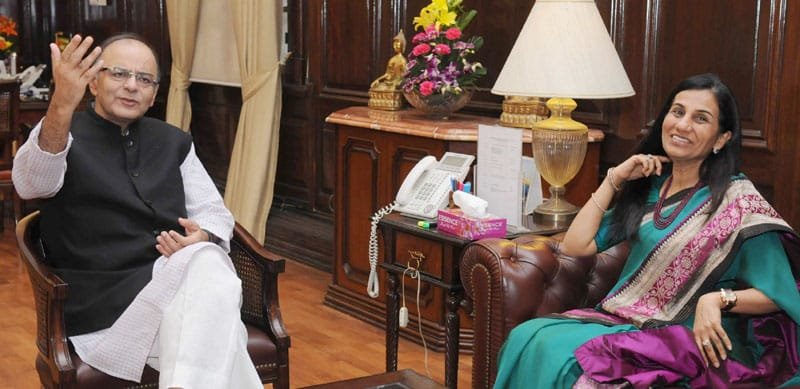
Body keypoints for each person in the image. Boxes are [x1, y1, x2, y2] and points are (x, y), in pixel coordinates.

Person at [493, 73, 800, 388]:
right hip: (627, 322)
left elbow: (780, 294)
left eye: (701, 118)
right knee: (527, 338)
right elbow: (576, 246)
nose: (683, 125)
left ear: (721, 139)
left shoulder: (738, 201)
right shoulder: (651, 189)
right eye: (677, 112)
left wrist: (716, 300)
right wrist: (613, 179)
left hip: (689, 338)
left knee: (568, 360)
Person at [12, 33, 262, 388]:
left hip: (174, 290)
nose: (132, 86)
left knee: (205, 262)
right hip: (103, 311)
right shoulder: (58, 133)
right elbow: (32, 184)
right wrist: (61, 105)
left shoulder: (174, 141)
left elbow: (215, 213)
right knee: (217, 311)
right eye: (119, 74)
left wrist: (201, 235)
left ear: (154, 94)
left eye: (144, 79)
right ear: (93, 83)